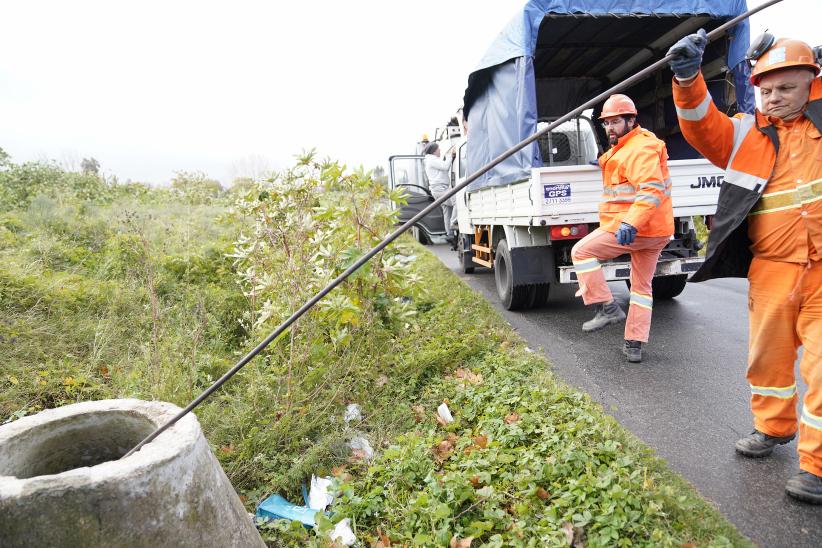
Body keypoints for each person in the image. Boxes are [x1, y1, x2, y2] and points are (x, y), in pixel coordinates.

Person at [668, 30, 822, 503]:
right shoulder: (743, 133)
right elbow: (700, 125)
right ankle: (772, 427)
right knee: (767, 360)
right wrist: (688, 77)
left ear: (813, 85)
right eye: (766, 89)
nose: (774, 98)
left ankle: (816, 466)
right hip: (772, 271)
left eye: (787, 88)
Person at [570, 94, 674, 363]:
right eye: (607, 123)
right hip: (655, 231)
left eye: (616, 122)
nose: (610, 128)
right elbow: (623, 165)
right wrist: (603, 161)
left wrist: (631, 222)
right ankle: (634, 345)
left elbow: (650, 190)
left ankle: (607, 307)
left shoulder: (639, 149)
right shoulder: (632, 145)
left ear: (631, 120)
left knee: (581, 252)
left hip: (636, 228)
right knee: (641, 288)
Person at [423, 142, 457, 242]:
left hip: (440, 189)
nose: (440, 151)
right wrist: (450, 156)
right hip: (440, 189)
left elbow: (443, 165)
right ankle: (454, 223)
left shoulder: (432, 160)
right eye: (439, 149)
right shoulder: (431, 160)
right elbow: (445, 167)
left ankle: (449, 234)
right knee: (457, 201)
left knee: (447, 210)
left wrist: (449, 156)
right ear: (434, 151)